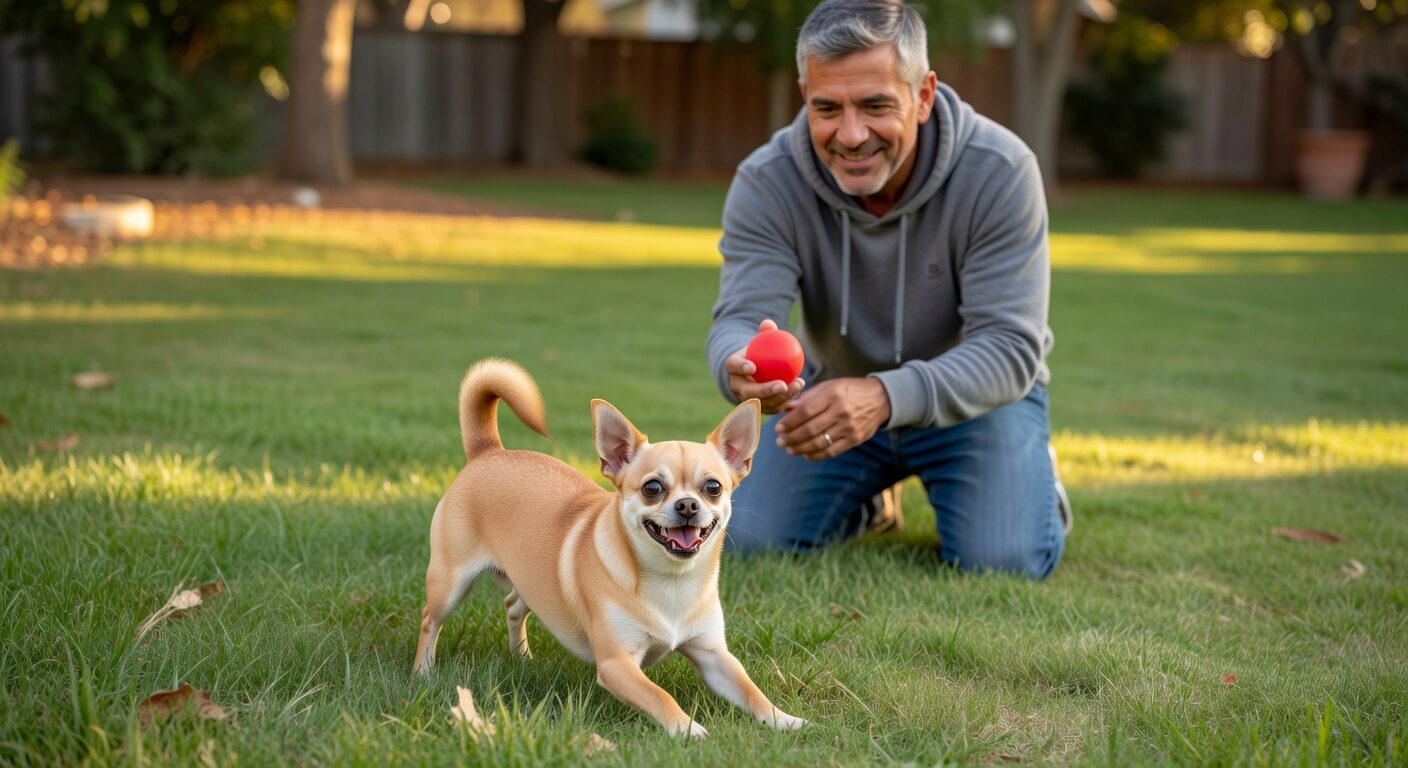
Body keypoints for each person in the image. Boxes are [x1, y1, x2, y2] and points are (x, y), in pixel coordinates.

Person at [706, 0, 1070, 579]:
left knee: (1001, 560)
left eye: (875, 106)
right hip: (833, 401)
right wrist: (737, 365)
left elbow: (1009, 347)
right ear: (805, 94)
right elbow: (741, 316)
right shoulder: (767, 179)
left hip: (975, 404)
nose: (851, 135)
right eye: (827, 108)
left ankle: (1031, 477)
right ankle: (869, 501)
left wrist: (884, 396)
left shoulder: (1000, 170)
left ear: (923, 95)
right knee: (744, 540)